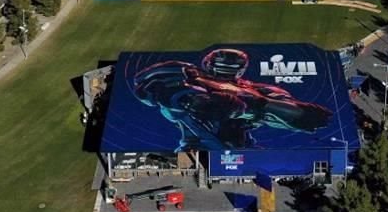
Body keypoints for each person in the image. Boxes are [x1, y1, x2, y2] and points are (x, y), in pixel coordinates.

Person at [133, 48, 331, 151]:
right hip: (198, 144)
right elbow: (148, 88)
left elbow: (307, 116)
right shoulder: (189, 77)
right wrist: (198, 98)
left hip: (243, 146)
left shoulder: (256, 90)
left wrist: (252, 105)